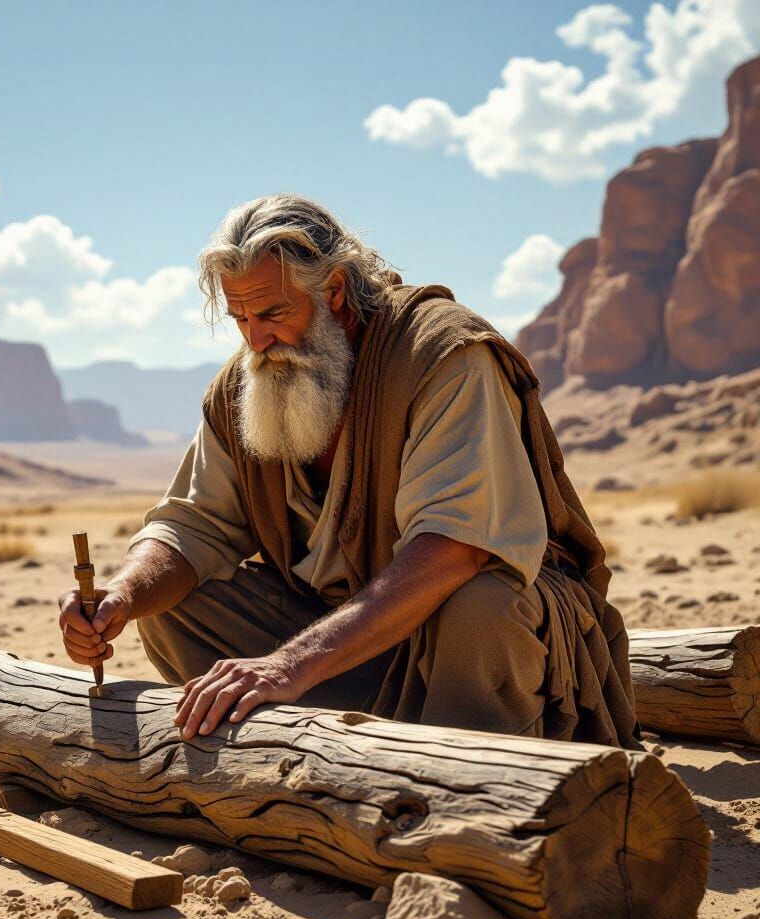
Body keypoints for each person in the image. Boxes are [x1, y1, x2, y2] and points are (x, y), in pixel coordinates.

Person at [58, 194, 639, 748]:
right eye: (240, 318)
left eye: (273, 313)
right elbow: (192, 524)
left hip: (459, 632)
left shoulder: (442, 354)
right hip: (344, 634)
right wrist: (123, 595)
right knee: (169, 604)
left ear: (334, 288)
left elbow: (454, 549)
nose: (256, 339)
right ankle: (305, 752)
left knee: (481, 604)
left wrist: (288, 665)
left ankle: (472, 767)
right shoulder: (247, 380)